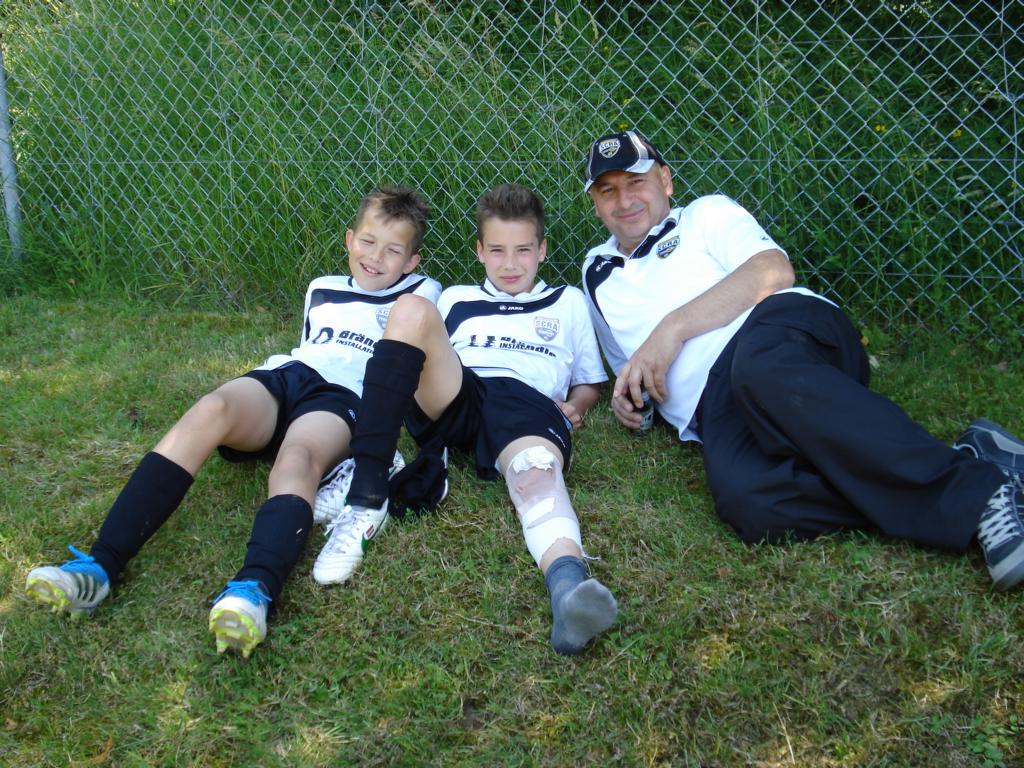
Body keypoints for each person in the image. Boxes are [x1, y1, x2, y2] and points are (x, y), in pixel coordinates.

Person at [579, 129, 1024, 591]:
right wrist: (634, 401)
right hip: (717, 407)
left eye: (636, 182)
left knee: (760, 370)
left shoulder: (705, 214)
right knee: (750, 503)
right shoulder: (596, 274)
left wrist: (673, 328)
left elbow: (772, 270)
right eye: (607, 190)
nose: (624, 200)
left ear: (666, 181)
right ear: (595, 204)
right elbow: (633, 363)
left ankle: (980, 496)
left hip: (782, 338)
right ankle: (969, 459)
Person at [24, 185, 442, 656]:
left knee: (297, 458)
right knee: (211, 409)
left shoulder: (421, 294)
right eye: (367, 241)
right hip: (287, 376)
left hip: (342, 398)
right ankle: (100, 566)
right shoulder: (321, 288)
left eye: (393, 251)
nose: (375, 258)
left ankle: (253, 591)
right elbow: (310, 350)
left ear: (412, 262)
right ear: (349, 239)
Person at [318, 183, 618, 655]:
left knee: (535, 471)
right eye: (497, 250)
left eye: (523, 250)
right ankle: (367, 488)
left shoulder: (568, 302)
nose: (510, 263)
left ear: (542, 250)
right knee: (411, 309)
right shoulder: (455, 299)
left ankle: (567, 590)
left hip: (525, 402)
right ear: (479, 251)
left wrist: (576, 407)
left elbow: (589, 383)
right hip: (460, 392)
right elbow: (426, 352)